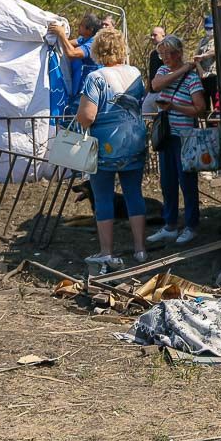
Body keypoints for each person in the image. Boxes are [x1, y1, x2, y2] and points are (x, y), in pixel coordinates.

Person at [75, 28, 149, 273]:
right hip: (135, 141)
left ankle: (107, 252)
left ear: (97, 50)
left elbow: (87, 116)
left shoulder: (96, 77)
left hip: (106, 147)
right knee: (133, 194)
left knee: (104, 197)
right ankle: (140, 249)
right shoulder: (135, 73)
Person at [149, 34, 206, 246]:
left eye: (167, 54)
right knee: (167, 182)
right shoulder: (165, 70)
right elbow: (156, 85)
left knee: (187, 183)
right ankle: (170, 224)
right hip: (167, 136)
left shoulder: (192, 79)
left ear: (178, 53)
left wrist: (174, 107)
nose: (163, 58)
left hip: (184, 137)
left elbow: (199, 109)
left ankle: (191, 225)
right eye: (161, 54)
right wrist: (183, 68)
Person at [49, 13, 102, 113]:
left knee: (76, 118)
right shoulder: (84, 39)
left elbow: (71, 53)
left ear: (89, 30)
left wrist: (61, 34)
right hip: (80, 89)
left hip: (88, 91)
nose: (79, 26)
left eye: (81, 25)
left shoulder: (93, 43)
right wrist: (61, 37)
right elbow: (68, 44)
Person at [142, 26, 167, 115]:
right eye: (151, 35)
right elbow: (152, 73)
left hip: (164, 91)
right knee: (144, 112)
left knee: (162, 117)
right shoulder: (153, 53)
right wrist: (147, 90)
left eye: (155, 35)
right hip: (153, 91)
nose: (152, 37)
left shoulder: (168, 51)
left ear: (163, 35)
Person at [194, 15, 218, 110]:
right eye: (207, 28)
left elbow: (214, 51)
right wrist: (200, 71)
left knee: (217, 103)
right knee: (205, 105)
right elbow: (195, 57)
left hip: (214, 76)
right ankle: (209, 123)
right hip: (203, 78)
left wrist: (203, 56)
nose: (209, 30)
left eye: (211, 28)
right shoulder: (202, 41)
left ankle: (217, 122)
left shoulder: (218, 39)